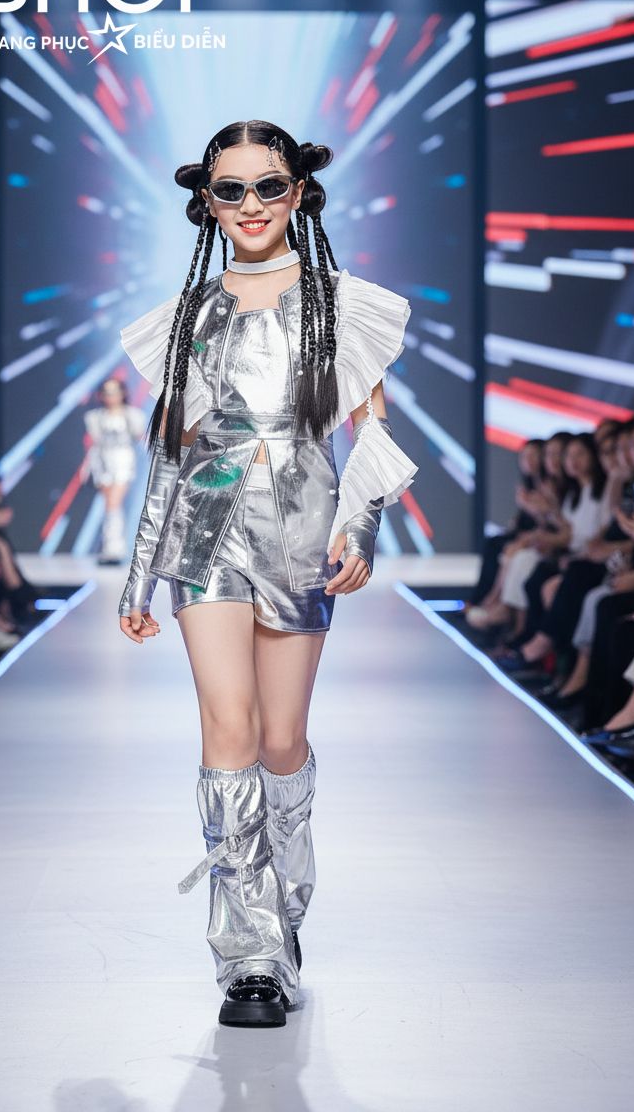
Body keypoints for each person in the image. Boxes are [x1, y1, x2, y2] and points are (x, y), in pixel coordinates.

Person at [115, 121, 418, 1028]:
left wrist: (361, 526)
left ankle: (285, 909)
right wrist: (139, 574)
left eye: (269, 185)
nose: (251, 204)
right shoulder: (190, 313)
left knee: (282, 740)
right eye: (231, 189)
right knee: (229, 724)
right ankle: (247, 957)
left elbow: (370, 431)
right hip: (204, 528)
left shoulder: (340, 304)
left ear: (299, 192)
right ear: (206, 202)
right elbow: (171, 453)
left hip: (301, 526)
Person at [84, 377, 147, 565]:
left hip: (123, 460)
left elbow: (138, 435)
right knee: (110, 505)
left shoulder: (133, 415)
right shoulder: (95, 416)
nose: (110, 396)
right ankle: (111, 548)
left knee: (113, 502)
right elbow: (95, 442)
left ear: (123, 393)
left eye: (114, 392)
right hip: (102, 461)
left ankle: (114, 549)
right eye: (107, 392)